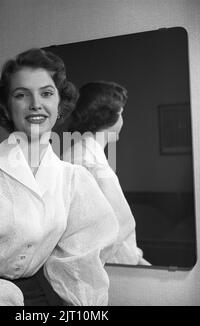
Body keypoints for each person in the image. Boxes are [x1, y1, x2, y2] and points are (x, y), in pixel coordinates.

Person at [0, 49, 120, 306]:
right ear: (7, 107)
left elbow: (82, 263)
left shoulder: (74, 179)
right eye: (21, 95)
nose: (36, 104)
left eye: (46, 93)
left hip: (43, 296)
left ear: (59, 103)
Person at [64, 81, 150, 265]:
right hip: (102, 270)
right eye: (122, 114)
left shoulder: (68, 156)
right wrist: (138, 262)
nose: (122, 121)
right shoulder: (93, 166)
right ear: (110, 116)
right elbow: (119, 233)